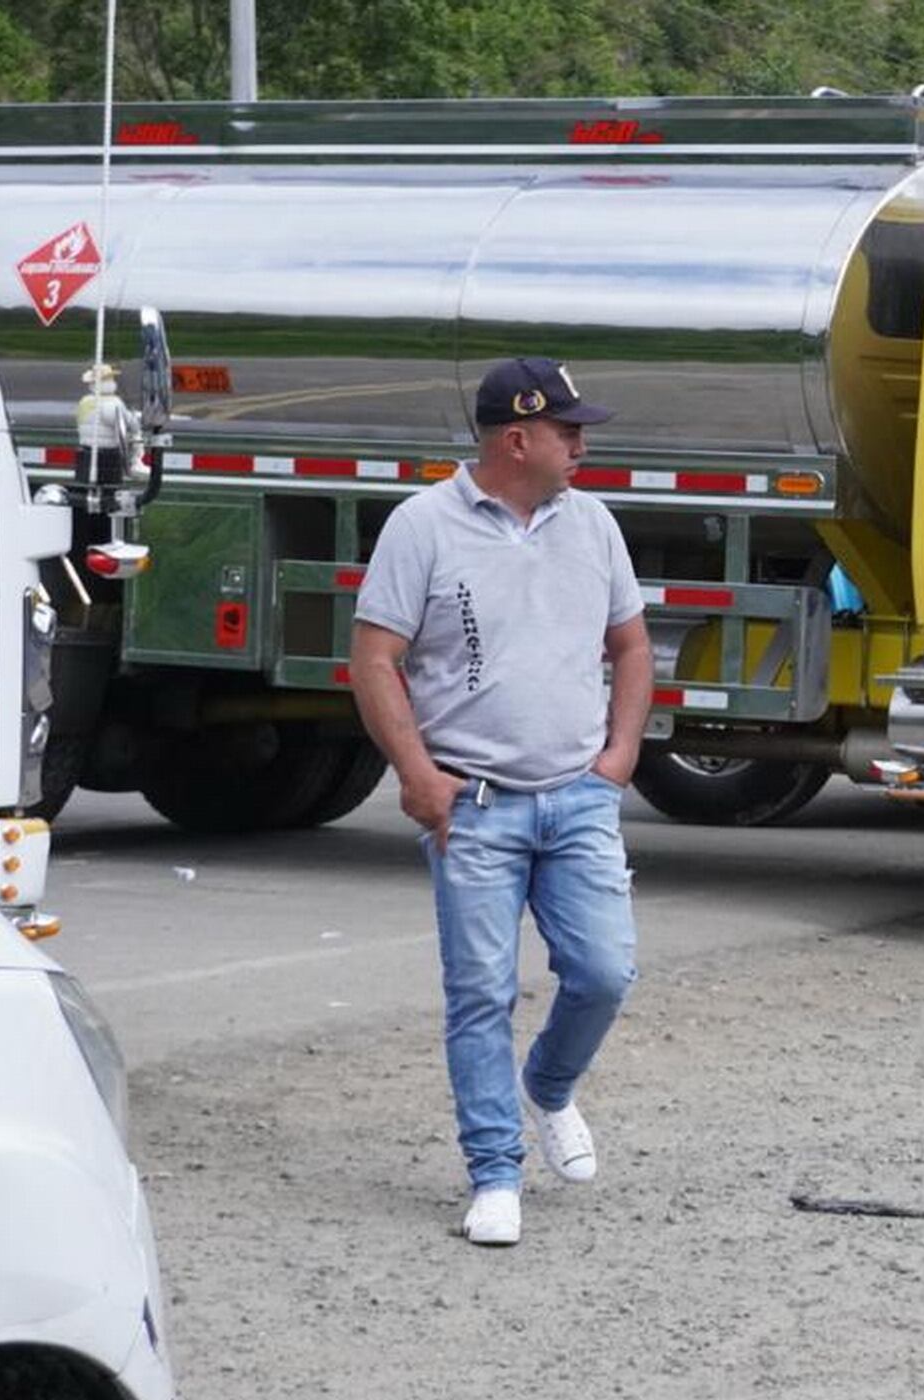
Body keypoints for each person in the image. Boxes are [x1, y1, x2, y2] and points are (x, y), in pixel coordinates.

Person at [350, 356, 652, 1247]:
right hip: (471, 804)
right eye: (568, 431)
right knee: (480, 992)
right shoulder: (423, 528)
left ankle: (548, 1089)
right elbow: (374, 659)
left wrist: (621, 755)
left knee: (604, 972)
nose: (582, 444)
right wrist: (416, 774)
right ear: (517, 439)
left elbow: (631, 647)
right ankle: (494, 1175)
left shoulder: (592, 524)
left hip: (578, 796)